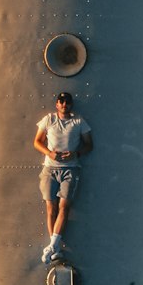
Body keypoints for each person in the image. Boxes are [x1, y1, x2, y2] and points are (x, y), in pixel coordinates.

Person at [33, 91, 93, 263]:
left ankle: (52, 246)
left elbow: (89, 145)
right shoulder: (49, 119)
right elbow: (37, 141)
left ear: (71, 104)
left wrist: (76, 154)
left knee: (64, 207)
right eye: (61, 101)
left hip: (70, 169)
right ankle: (55, 248)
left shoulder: (78, 122)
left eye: (67, 101)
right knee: (51, 209)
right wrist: (49, 153)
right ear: (57, 104)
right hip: (50, 169)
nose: (64, 104)